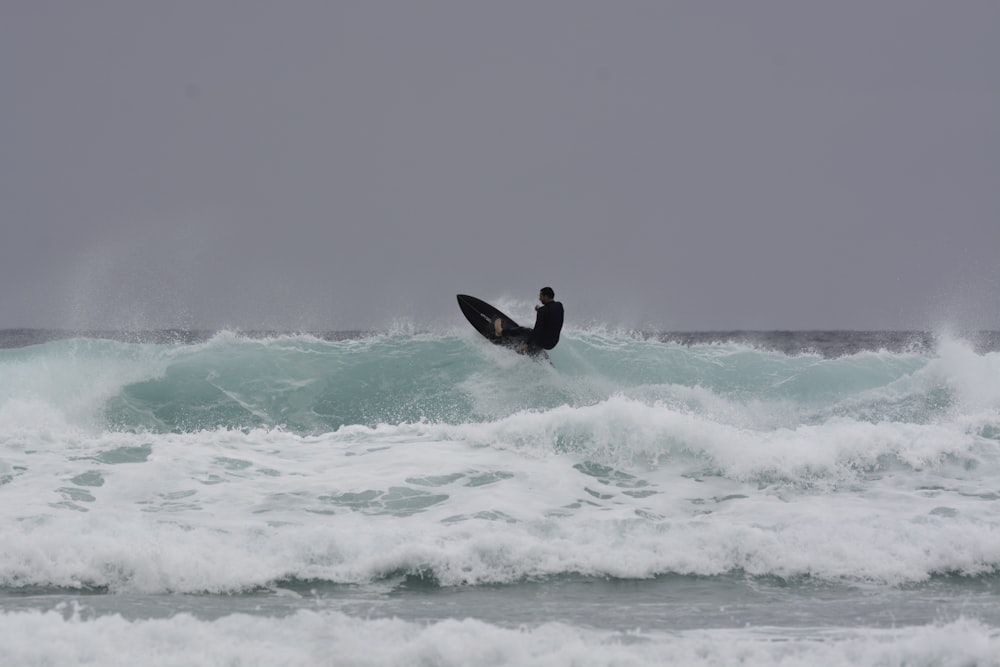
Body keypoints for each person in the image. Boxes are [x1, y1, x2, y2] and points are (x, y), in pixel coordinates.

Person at [493, 287, 564, 355]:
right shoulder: (559, 305)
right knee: (548, 328)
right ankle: (538, 347)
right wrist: (540, 310)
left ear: (546, 296)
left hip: (543, 341)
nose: (539, 298)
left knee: (523, 330)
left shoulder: (543, 311)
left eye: (541, 296)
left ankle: (500, 332)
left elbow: (537, 328)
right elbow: (551, 315)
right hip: (553, 343)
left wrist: (526, 345)